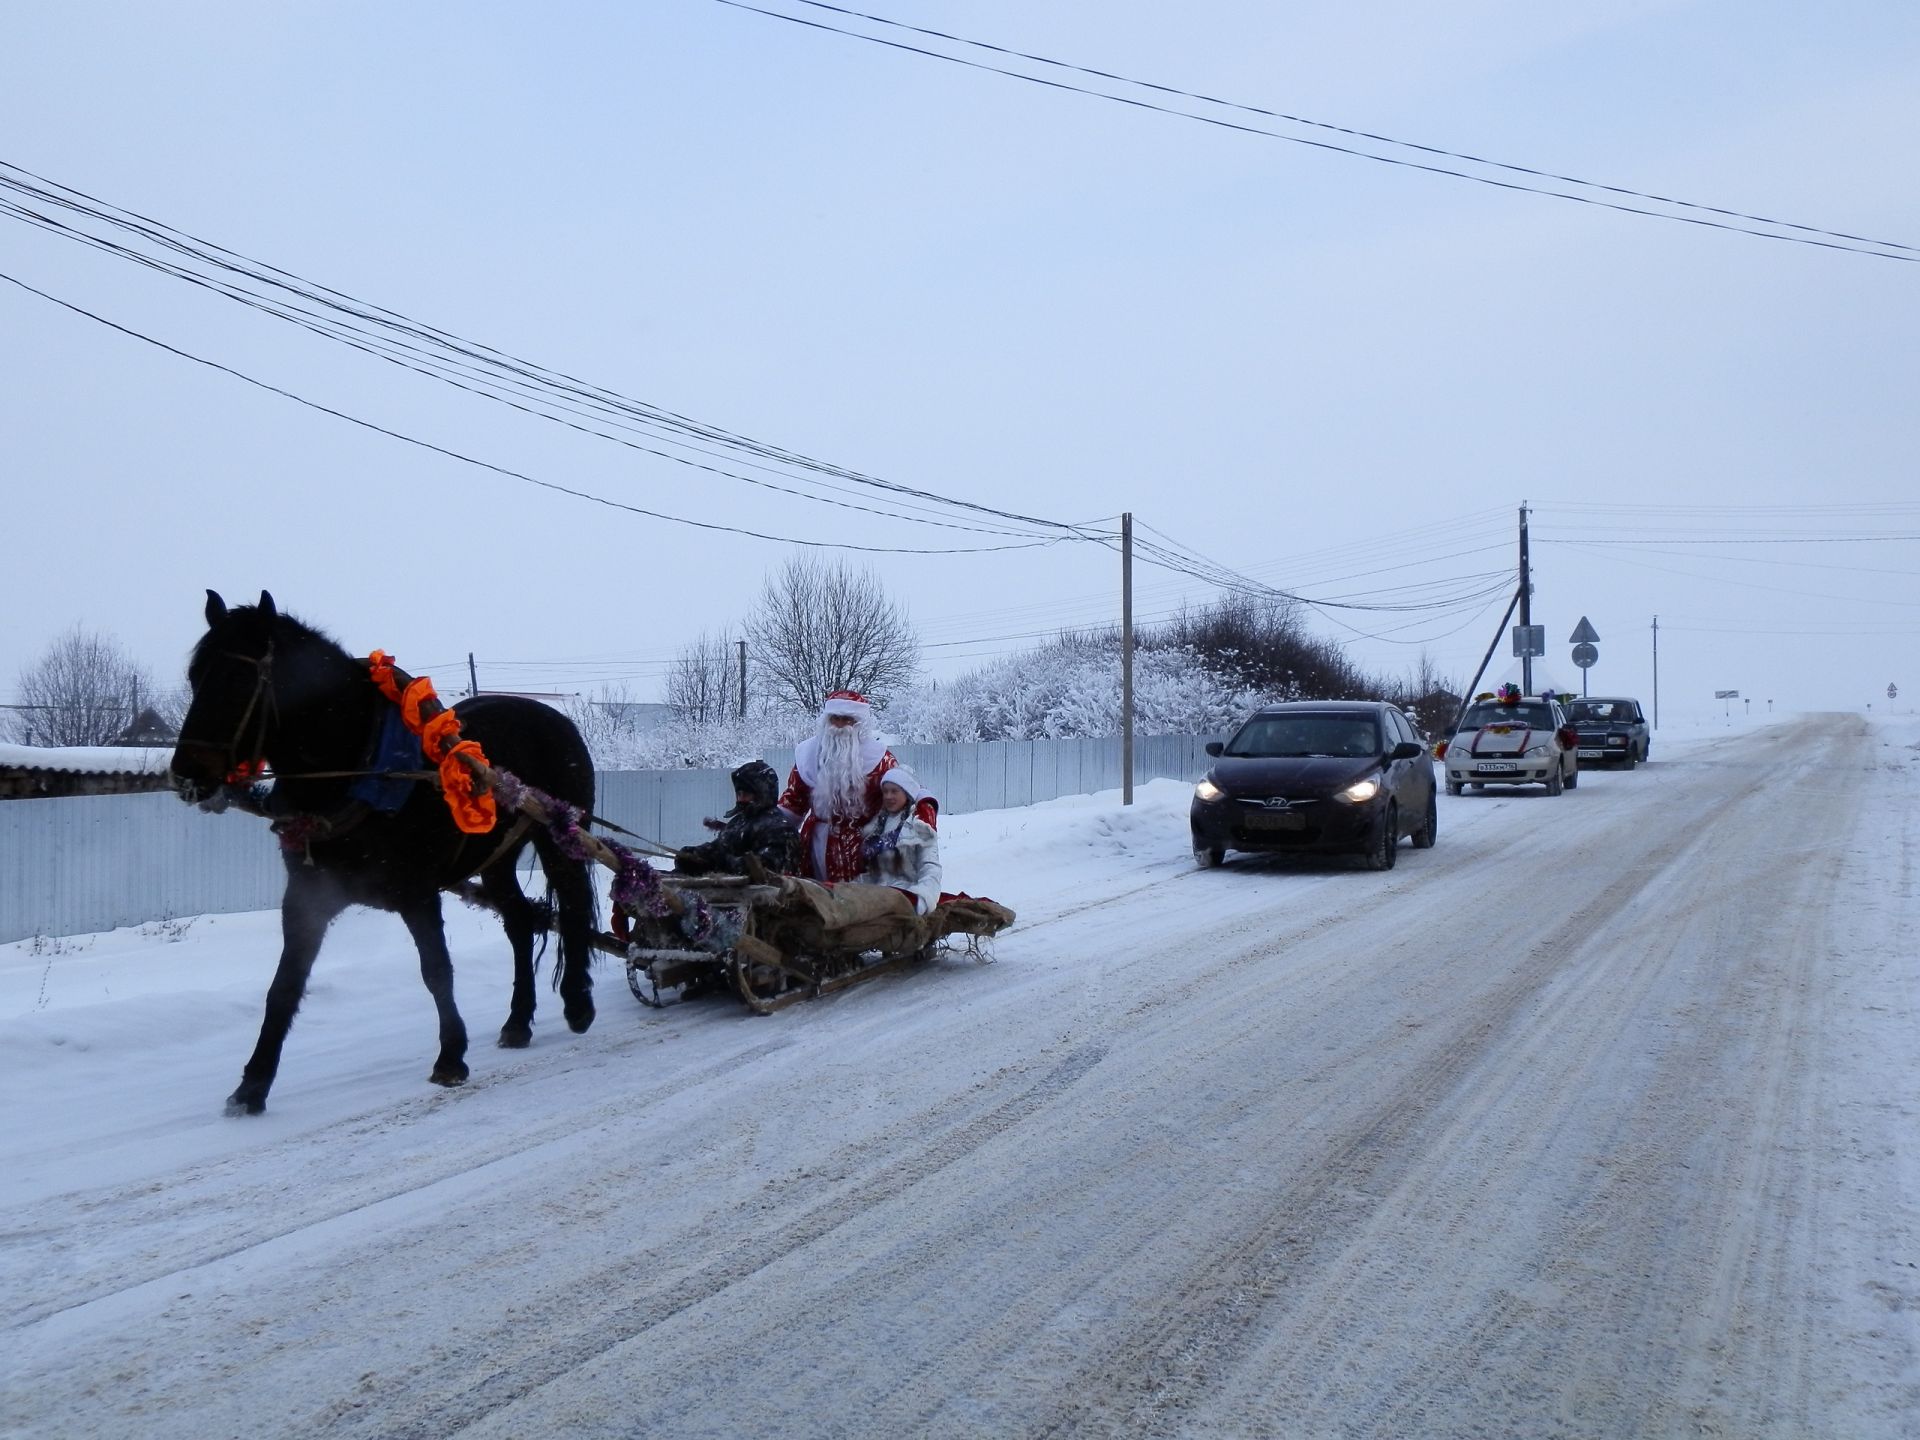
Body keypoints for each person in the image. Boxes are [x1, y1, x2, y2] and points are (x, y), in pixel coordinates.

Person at [779, 690, 936, 883]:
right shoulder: (807, 756)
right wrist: (772, 827)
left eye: (847, 719)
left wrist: (924, 807)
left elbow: (904, 788)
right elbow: (793, 801)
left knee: (859, 906)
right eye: (835, 718)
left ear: (860, 724)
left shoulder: (879, 758)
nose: (839, 725)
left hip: (861, 848)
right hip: (813, 845)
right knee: (813, 903)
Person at [673, 760, 803, 877]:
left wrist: (720, 862)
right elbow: (719, 848)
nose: (740, 799)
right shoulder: (739, 822)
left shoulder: (780, 830)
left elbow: (764, 872)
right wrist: (695, 855)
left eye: (746, 794)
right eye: (739, 794)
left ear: (762, 794)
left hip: (764, 900)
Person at [853, 768, 943, 914]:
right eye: (885, 791)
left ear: (907, 793)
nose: (888, 796)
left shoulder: (920, 825)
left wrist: (920, 900)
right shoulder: (877, 825)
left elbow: (930, 867)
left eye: (894, 791)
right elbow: (873, 872)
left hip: (904, 899)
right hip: (875, 894)